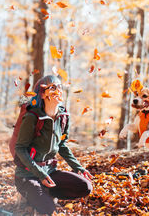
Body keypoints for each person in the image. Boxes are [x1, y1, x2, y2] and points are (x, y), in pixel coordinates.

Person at [15, 75, 93, 215]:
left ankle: (46, 192)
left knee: (85, 187)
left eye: (59, 87)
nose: (58, 90)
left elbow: (62, 145)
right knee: (49, 210)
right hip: (27, 175)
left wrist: (78, 167)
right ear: (43, 94)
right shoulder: (32, 116)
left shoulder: (63, 116)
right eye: (52, 88)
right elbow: (19, 148)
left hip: (50, 172)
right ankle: (33, 196)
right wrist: (40, 174)